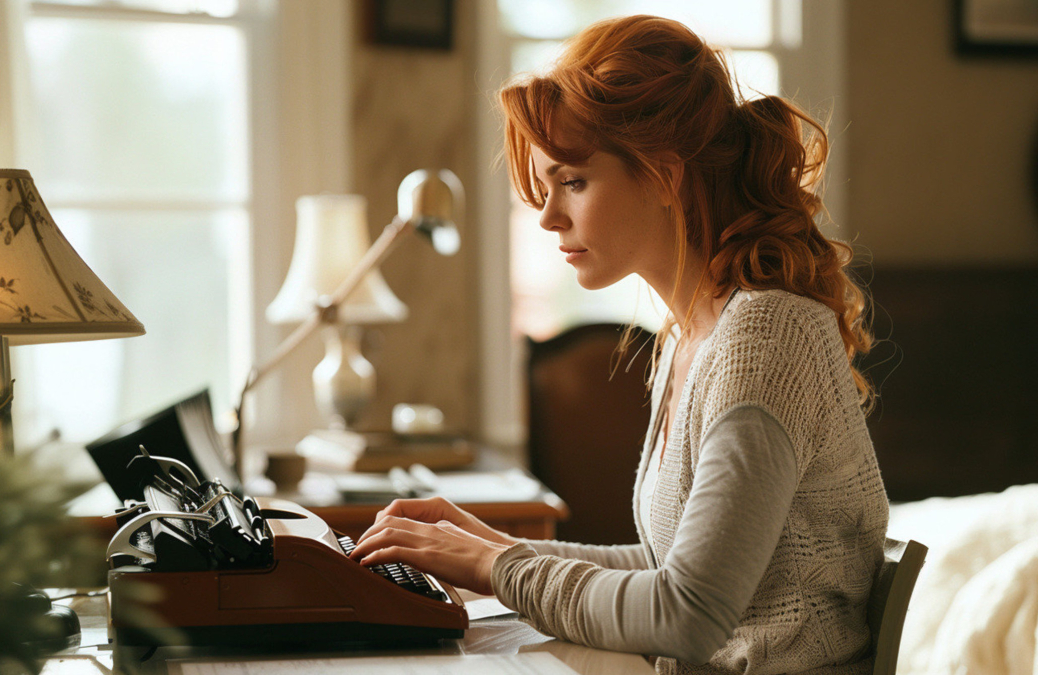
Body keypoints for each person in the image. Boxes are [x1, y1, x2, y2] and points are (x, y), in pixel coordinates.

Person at [351, 14, 889, 675]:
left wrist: (495, 565)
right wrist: (487, 544)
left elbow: (687, 612)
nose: (548, 216)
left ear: (663, 176)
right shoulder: (693, 334)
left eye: (572, 181)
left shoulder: (764, 338)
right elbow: (669, 567)